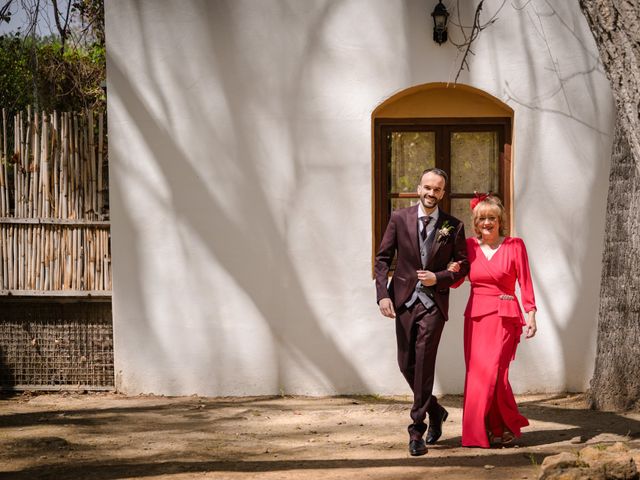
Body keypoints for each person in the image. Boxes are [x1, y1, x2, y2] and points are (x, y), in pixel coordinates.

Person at [375, 168, 469, 456]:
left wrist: (439, 277)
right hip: (403, 299)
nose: (431, 193)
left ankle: (416, 430)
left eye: (437, 189)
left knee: (425, 361)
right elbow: (382, 259)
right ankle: (436, 410)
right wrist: (382, 295)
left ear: (443, 193)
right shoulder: (399, 218)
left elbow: (463, 265)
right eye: (427, 187)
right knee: (406, 364)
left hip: (434, 305)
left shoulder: (454, 225)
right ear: (419, 189)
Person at [448, 194, 537, 448]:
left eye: (492, 218)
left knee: (497, 374)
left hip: (506, 316)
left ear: (500, 221)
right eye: (482, 219)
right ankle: (483, 430)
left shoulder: (514, 245)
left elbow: (526, 282)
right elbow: (455, 282)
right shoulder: (469, 247)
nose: (487, 223)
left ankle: (505, 425)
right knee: (478, 375)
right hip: (476, 317)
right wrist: (451, 270)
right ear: (475, 223)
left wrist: (531, 313)